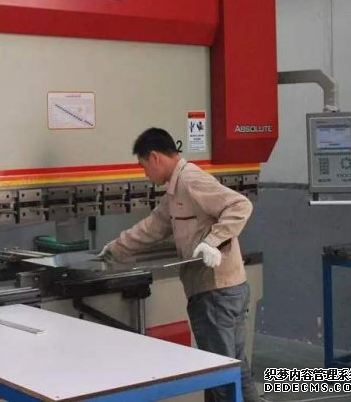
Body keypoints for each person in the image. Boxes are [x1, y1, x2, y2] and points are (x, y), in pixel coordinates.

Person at [98, 127, 260, 402]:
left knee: (220, 374)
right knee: (235, 367)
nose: (145, 175)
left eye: (143, 166)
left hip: (216, 292)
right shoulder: (174, 193)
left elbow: (240, 205)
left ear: (155, 157)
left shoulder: (190, 180)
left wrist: (212, 241)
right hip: (222, 289)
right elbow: (152, 227)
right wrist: (114, 249)